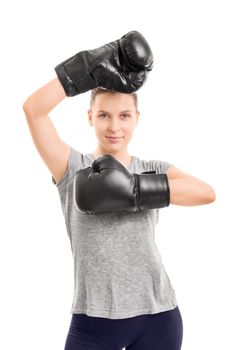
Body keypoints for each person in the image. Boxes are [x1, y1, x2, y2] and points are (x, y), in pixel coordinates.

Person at [23, 32, 216, 350]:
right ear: (90, 118)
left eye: (124, 116)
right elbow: (33, 110)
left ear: (137, 118)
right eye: (104, 115)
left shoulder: (152, 168)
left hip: (159, 315)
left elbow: (206, 192)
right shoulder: (72, 168)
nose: (115, 127)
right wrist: (88, 65)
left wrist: (135, 189)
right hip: (93, 321)